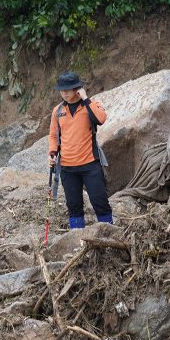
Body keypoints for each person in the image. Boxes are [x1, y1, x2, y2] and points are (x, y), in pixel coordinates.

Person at [48, 71, 113, 229]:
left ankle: (110, 234)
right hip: (68, 168)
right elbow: (53, 136)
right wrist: (52, 153)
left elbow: (101, 119)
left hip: (90, 164)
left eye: (67, 89)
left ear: (77, 89)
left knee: (100, 201)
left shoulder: (90, 105)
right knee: (74, 206)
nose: (63, 93)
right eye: (61, 90)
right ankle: (78, 240)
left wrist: (85, 98)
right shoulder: (58, 111)